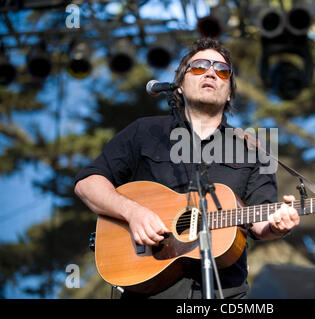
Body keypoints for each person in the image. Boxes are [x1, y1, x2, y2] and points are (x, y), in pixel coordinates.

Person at [74, 38, 300, 299]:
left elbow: (260, 223)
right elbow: (87, 183)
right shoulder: (144, 131)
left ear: (229, 93)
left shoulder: (256, 148)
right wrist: (132, 212)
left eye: (222, 70)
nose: (211, 73)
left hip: (224, 293)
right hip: (148, 288)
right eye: (199, 67)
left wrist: (278, 226)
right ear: (179, 86)